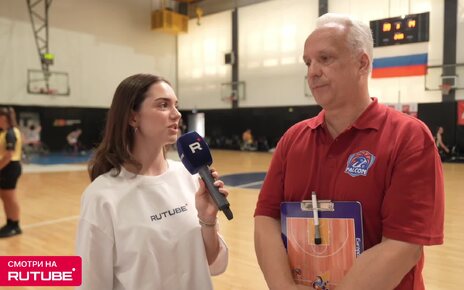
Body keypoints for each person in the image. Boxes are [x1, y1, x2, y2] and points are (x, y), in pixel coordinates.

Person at [254, 13, 444, 290]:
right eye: (308, 62)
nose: (312, 71)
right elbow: (266, 219)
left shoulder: (409, 138)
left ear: (361, 62)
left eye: (325, 59)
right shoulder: (292, 140)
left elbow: (403, 245)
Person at [76, 74, 229, 289]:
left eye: (176, 105)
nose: (176, 114)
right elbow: (92, 284)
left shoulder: (190, 177)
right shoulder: (102, 197)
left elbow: (211, 261)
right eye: (163, 105)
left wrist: (208, 218)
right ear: (133, 118)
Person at [0, 107, 23, 238]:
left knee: (10, 197)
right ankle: (9, 223)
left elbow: (9, 154)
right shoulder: (4, 132)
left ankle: (15, 225)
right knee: (5, 196)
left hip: (10, 167)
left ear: (3, 118)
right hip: (5, 167)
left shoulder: (11, 133)